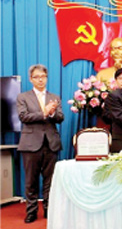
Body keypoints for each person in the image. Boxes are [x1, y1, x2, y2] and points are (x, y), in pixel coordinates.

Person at [16, 64, 64, 223]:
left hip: (51, 143)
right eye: (36, 77)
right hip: (30, 143)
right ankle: (31, 212)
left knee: (50, 180)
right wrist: (44, 112)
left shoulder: (54, 97)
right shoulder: (22, 97)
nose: (40, 80)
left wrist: (53, 112)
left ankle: (50, 210)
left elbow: (61, 118)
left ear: (46, 78)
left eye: (43, 76)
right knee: (31, 180)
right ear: (31, 79)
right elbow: (24, 117)